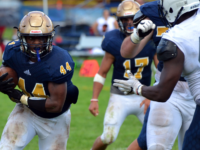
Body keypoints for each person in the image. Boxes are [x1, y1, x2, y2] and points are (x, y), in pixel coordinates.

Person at [113, 0, 200, 150]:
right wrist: (136, 36)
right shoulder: (155, 11)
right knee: (156, 146)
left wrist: (140, 89)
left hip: (194, 92)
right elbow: (125, 52)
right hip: (170, 90)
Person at [0, 11, 79, 150]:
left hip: (55, 118)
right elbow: (6, 71)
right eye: (31, 38)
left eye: (41, 38)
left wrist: (22, 98)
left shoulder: (59, 60)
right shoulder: (13, 51)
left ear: (50, 37)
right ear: (21, 37)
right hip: (26, 112)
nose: (36, 43)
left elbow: (56, 104)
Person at [88, 1, 158, 149]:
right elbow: (102, 72)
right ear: (118, 21)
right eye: (124, 19)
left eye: (132, 18)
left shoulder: (151, 37)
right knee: (108, 137)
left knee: (156, 136)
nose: (129, 23)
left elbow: (161, 70)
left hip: (143, 95)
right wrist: (94, 99)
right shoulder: (113, 39)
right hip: (119, 96)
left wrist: (152, 97)